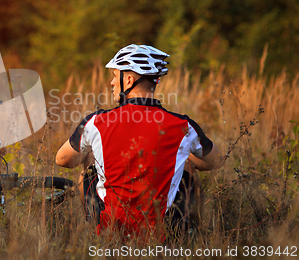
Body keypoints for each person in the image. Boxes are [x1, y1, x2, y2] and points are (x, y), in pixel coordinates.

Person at [55, 44, 222, 240]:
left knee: (90, 162)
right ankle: (192, 234)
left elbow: (63, 160)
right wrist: (182, 156)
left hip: (111, 231)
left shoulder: (97, 122)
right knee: (187, 165)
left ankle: (91, 231)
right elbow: (214, 161)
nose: (111, 83)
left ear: (128, 79)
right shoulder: (183, 125)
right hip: (163, 233)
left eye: (114, 75)